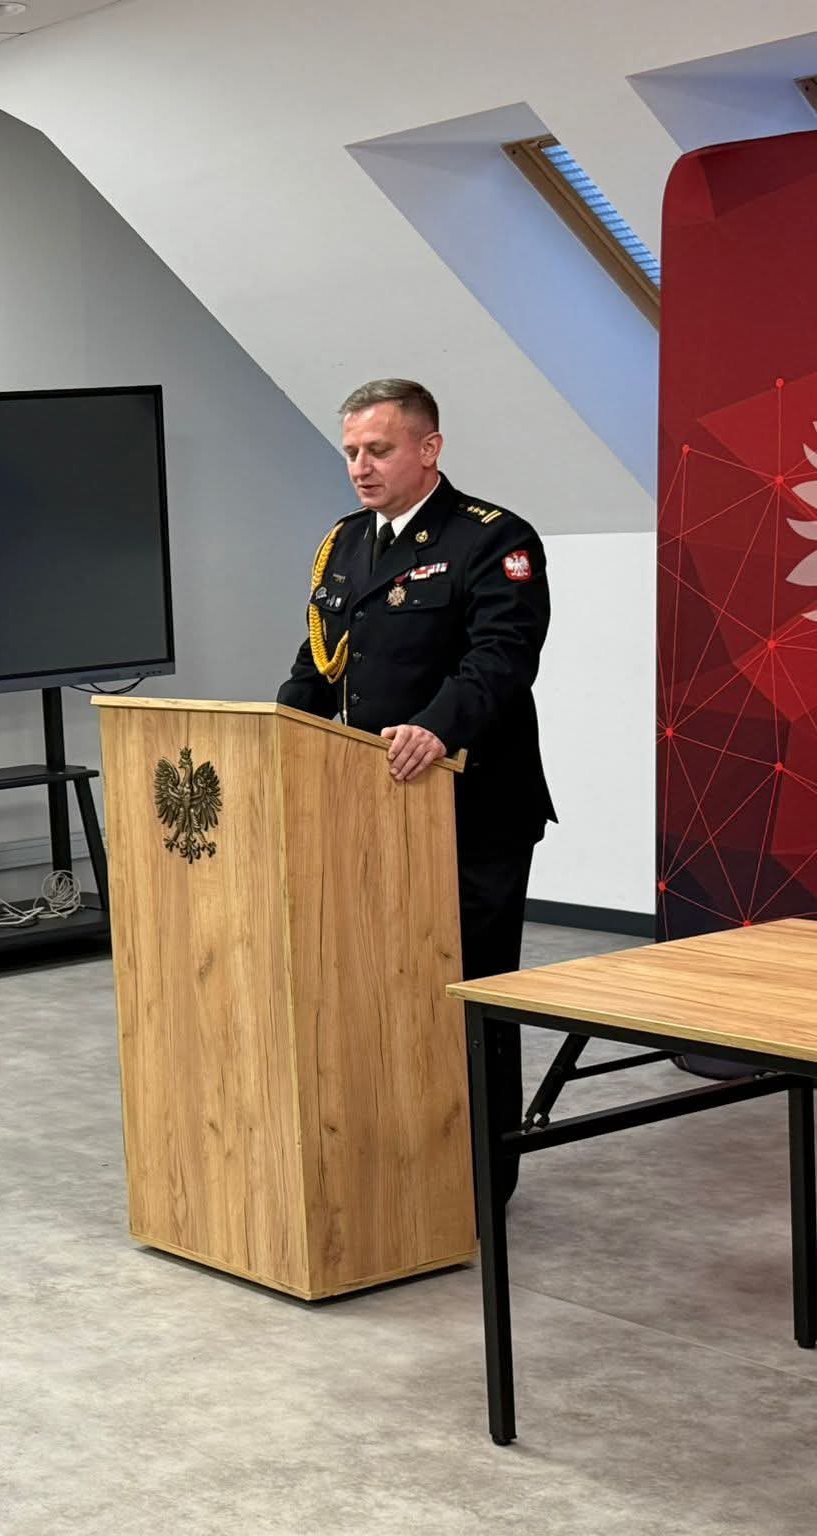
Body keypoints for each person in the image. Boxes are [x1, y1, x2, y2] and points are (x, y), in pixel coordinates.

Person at [278, 379, 554, 1187]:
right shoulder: (346, 543)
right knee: (386, 991)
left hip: (471, 808)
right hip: (370, 810)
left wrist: (438, 726)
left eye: (379, 450)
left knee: (471, 994)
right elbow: (320, 664)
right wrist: (275, 734)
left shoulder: (491, 538)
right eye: (351, 452)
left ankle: (484, 1177)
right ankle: (406, 1165)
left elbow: (503, 656)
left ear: (429, 449)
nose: (360, 468)